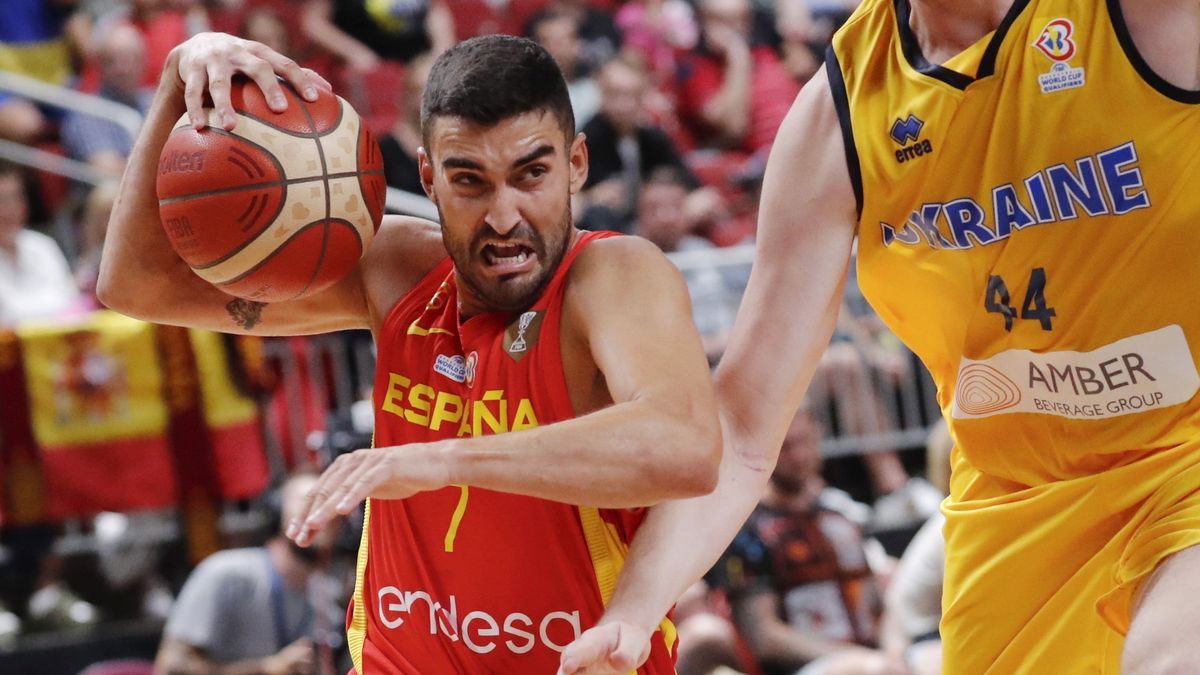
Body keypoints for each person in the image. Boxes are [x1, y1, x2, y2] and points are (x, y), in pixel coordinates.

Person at [559, 0, 1200, 673]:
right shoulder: (839, 112)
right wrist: (631, 611)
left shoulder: (1136, 17)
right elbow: (745, 427)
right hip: (1016, 505)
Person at [98, 31, 720, 674]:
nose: (504, 215)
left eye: (532, 174)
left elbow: (684, 446)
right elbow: (135, 286)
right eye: (469, 181)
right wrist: (178, 79)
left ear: (577, 164)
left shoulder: (612, 276)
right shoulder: (395, 269)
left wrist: (442, 459)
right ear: (427, 176)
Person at [154, 474, 332, 675]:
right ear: (276, 512)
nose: (323, 512)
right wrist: (266, 669)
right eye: (308, 500)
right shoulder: (227, 574)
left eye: (331, 501)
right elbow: (172, 667)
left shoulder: (327, 591)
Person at [62, 21, 151, 174]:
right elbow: (107, 171)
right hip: (110, 193)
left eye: (129, 59)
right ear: (100, 66)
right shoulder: (88, 113)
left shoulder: (154, 100)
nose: (122, 68)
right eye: (112, 61)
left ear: (143, 62)